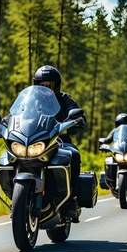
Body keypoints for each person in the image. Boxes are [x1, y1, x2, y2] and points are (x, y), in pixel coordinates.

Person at [33, 65, 86, 221]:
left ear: (56, 85)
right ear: (36, 85)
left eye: (49, 85)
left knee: (73, 154)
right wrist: (3, 123)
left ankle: (72, 201)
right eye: (42, 85)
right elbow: (15, 114)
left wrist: (77, 121)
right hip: (34, 142)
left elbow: (77, 113)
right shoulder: (30, 100)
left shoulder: (65, 99)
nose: (45, 88)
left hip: (60, 141)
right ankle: (17, 199)